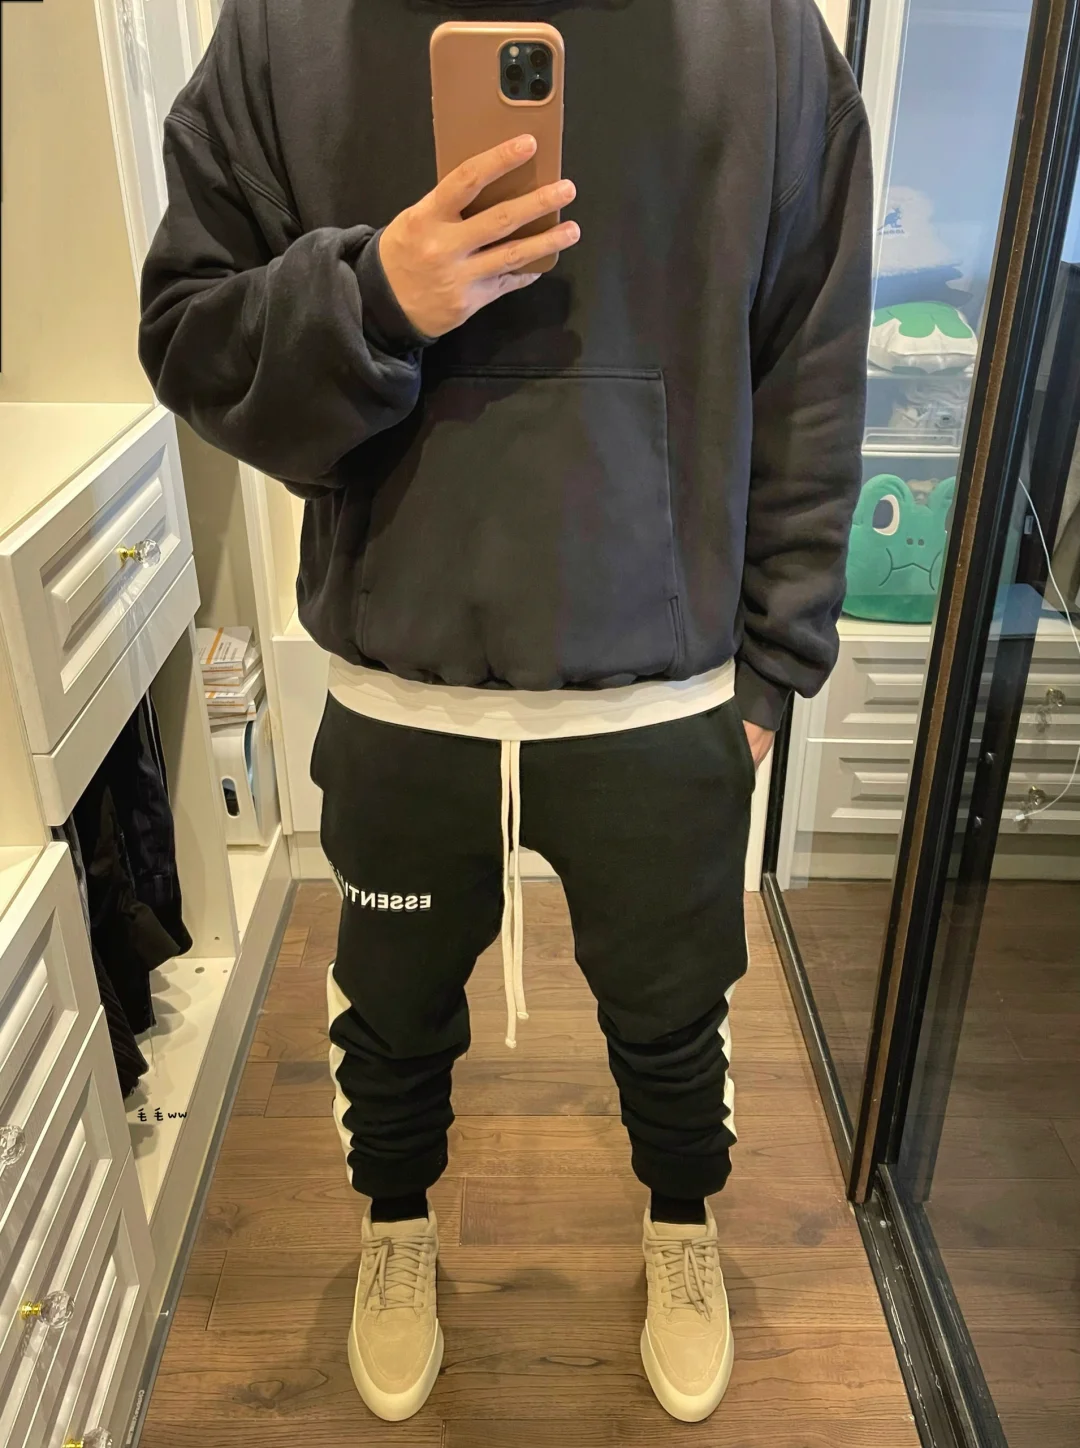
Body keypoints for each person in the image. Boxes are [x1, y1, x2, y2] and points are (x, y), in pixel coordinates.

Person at [139, 0, 870, 1424]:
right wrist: (371, 301)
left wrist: (775, 660)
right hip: (401, 678)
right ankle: (396, 1223)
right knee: (390, 1014)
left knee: (675, 1015)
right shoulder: (288, 31)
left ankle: (681, 1221)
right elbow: (190, 335)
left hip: (663, 687)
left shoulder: (764, 37)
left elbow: (811, 364)